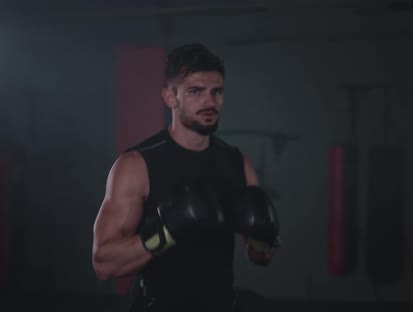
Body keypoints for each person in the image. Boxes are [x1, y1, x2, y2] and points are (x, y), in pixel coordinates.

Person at [92, 43, 280, 312]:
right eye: (195, 91)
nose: (210, 102)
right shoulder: (137, 164)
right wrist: (164, 233)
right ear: (171, 97)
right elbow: (103, 264)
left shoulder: (238, 163)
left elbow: (260, 256)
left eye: (217, 92)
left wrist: (264, 241)